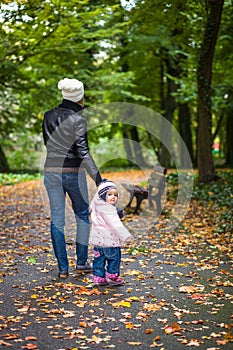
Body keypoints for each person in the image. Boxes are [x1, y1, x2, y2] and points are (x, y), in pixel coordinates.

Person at [42, 77, 103, 279]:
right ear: (80, 97)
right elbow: (83, 152)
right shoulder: (78, 120)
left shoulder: (48, 116)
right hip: (73, 174)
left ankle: (62, 269)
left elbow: (47, 144)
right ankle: (81, 262)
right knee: (83, 215)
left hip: (51, 172)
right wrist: (98, 179)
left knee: (57, 220)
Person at [89, 181, 133, 286]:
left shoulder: (95, 207)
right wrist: (125, 235)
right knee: (114, 258)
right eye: (109, 194)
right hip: (110, 241)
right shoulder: (109, 210)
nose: (113, 197)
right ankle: (112, 276)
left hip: (98, 241)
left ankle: (99, 277)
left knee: (99, 259)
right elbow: (115, 224)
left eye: (115, 195)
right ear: (102, 196)